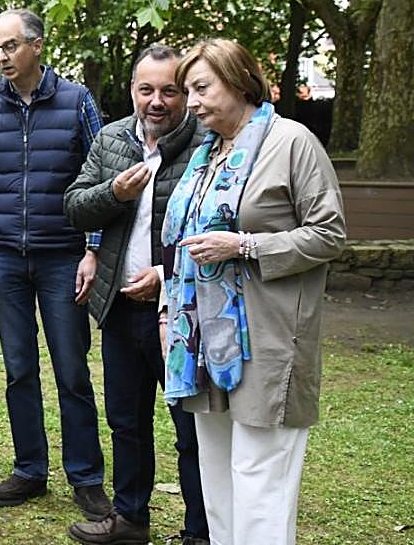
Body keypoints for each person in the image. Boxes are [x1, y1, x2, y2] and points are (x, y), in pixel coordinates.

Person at [162, 39, 346, 545]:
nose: (191, 102)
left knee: (259, 474)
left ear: (240, 80)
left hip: (269, 339)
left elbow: (329, 233)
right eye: (187, 90)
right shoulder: (204, 154)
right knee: (217, 477)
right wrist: (167, 308)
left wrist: (244, 245)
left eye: (202, 88)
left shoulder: (292, 142)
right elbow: (184, 246)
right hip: (202, 343)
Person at [0, 8, 112, 521]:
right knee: (18, 369)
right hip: (3, 260)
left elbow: (98, 180)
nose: (1, 57)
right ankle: (30, 469)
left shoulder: (77, 102)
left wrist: (92, 248)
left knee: (72, 371)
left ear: (38, 46)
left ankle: (86, 477)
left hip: (63, 259)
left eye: (10, 47)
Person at [63, 45, 209, 545]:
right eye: (146, 90)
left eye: (170, 90)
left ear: (185, 93)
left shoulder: (205, 146)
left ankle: (199, 530)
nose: (157, 101)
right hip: (120, 309)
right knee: (127, 422)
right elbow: (76, 207)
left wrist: (166, 275)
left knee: (190, 430)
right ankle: (130, 520)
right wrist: (114, 194)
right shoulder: (111, 139)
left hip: (182, 312)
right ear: (132, 91)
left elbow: (221, 227)